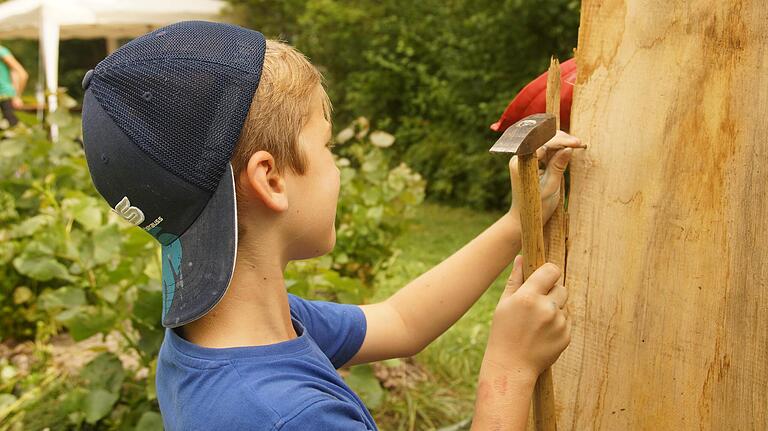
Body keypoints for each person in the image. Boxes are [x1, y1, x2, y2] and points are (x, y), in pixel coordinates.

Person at [80, 21, 584, 430]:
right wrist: (509, 372)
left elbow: (401, 323)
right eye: (327, 147)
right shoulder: (288, 416)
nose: (336, 166)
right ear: (270, 179)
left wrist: (518, 221)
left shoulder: (222, 330)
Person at [0, 44, 28, 128]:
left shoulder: (2, 52)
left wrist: (17, 96)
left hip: (6, 98)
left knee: (12, 132)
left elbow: (22, 74)